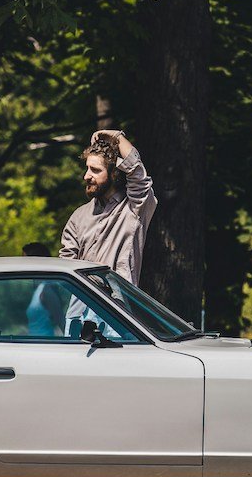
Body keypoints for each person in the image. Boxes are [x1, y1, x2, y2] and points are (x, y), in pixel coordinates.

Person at [59, 129, 156, 284]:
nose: (86, 176)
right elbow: (65, 267)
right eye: (87, 168)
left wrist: (117, 136)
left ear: (114, 174)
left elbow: (137, 172)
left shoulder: (134, 208)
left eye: (95, 170)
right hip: (80, 304)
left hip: (114, 305)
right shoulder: (79, 216)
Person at [22, 242, 65, 337]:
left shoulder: (47, 290)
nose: (22, 265)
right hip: (36, 345)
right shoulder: (38, 289)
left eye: (25, 261)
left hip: (45, 345)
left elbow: (61, 322)